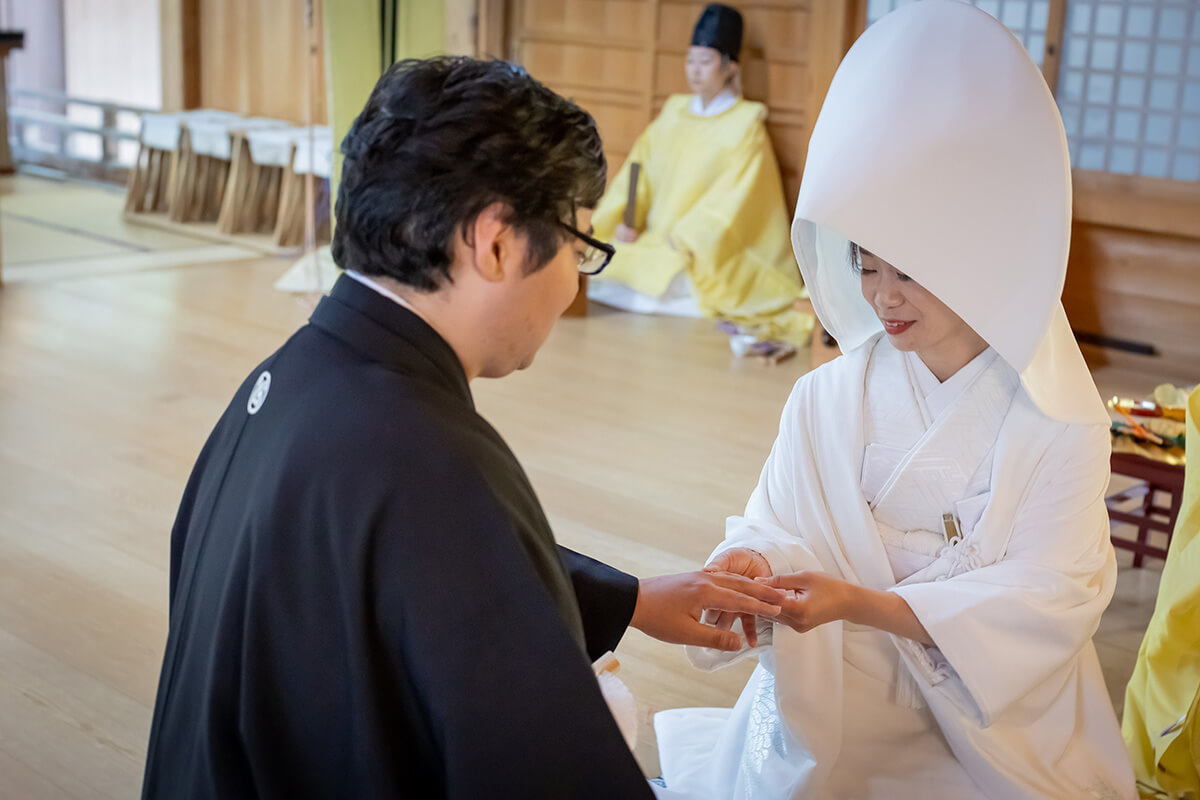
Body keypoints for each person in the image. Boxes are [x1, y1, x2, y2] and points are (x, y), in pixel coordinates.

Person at [140, 56, 786, 800]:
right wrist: (601, 715)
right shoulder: (426, 459)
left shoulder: (290, 381)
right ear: (498, 242)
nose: (575, 278)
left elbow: (409, 569)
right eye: (579, 246)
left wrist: (631, 601)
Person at [651, 3, 1137, 798]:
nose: (882, 297)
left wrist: (867, 603)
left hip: (994, 715)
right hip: (838, 685)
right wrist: (753, 563)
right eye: (866, 267)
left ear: (977, 262)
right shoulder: (827, 397)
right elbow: (779, 522)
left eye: (907, 271)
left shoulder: (1063, 423)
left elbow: (1053, 595)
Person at [588, 3, 811, 346]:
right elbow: (638, 169)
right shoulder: (674, 111)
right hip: (652, 238)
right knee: (603, 263)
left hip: (699, 252)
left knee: (663, 277)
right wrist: (627, 221)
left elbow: (734, 201)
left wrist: (687, 238)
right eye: (690, 60)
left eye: (704, 61)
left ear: (729, 67)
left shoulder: (745, 124)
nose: (694, 70)